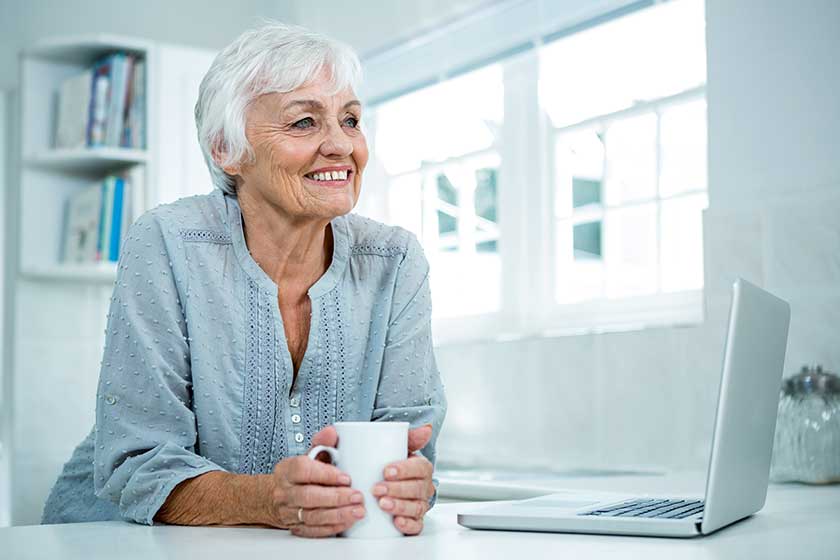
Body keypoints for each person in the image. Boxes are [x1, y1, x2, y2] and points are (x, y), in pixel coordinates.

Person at [41, 22, 447, 538]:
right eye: (304, 122)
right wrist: (268, 499)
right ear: (226, 150)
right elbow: (137, 463)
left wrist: (410, 485)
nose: (341, 145)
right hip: (112, 541)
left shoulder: (395, 260)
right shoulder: (169, 242)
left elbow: (412, 446)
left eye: (350, 120)